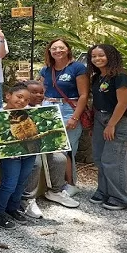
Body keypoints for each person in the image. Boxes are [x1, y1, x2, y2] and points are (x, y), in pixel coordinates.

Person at [20, 80, 79, 219]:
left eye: (41, 92)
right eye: (34, 92)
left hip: (44, 146)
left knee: (59, 158)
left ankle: (55, 191)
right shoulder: (18, 109)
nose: (39, 95)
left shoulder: (45, 109)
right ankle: (27, 198)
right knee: (36, 163)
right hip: (26, 149)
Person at [88, 44, 127, 210]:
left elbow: (122, 103)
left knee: (114, 160)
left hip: (119, 120)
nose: (97, 59)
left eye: (101, 55)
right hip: (101, 118)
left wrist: (111, 125)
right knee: (100, 157)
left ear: (111, 56)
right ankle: (104, 191)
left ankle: (121, 197)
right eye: (94, 56)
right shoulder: (97, 77)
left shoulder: (120, 77)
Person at [39, 38, 89, 195]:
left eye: (61, 48)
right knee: (51, 146)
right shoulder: (46, 70)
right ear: (49, 51)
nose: (57, 51)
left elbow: (84, 95)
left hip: (68, 108)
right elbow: (41, 91)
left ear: (68, 49)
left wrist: (75, 117)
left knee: (67, 147)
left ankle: (71, 183)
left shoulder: (77, 68)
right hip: (47, 107)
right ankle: (55, 183)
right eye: (54, 48)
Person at [0, 84, 38, 229]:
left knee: (22, 182)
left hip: (29, 152)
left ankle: (13, 208)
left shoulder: (31, 114)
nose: (23, 101)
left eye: (27, 99)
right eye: (19, 97)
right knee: (10, 183)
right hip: (10, 156)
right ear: (8, 95)